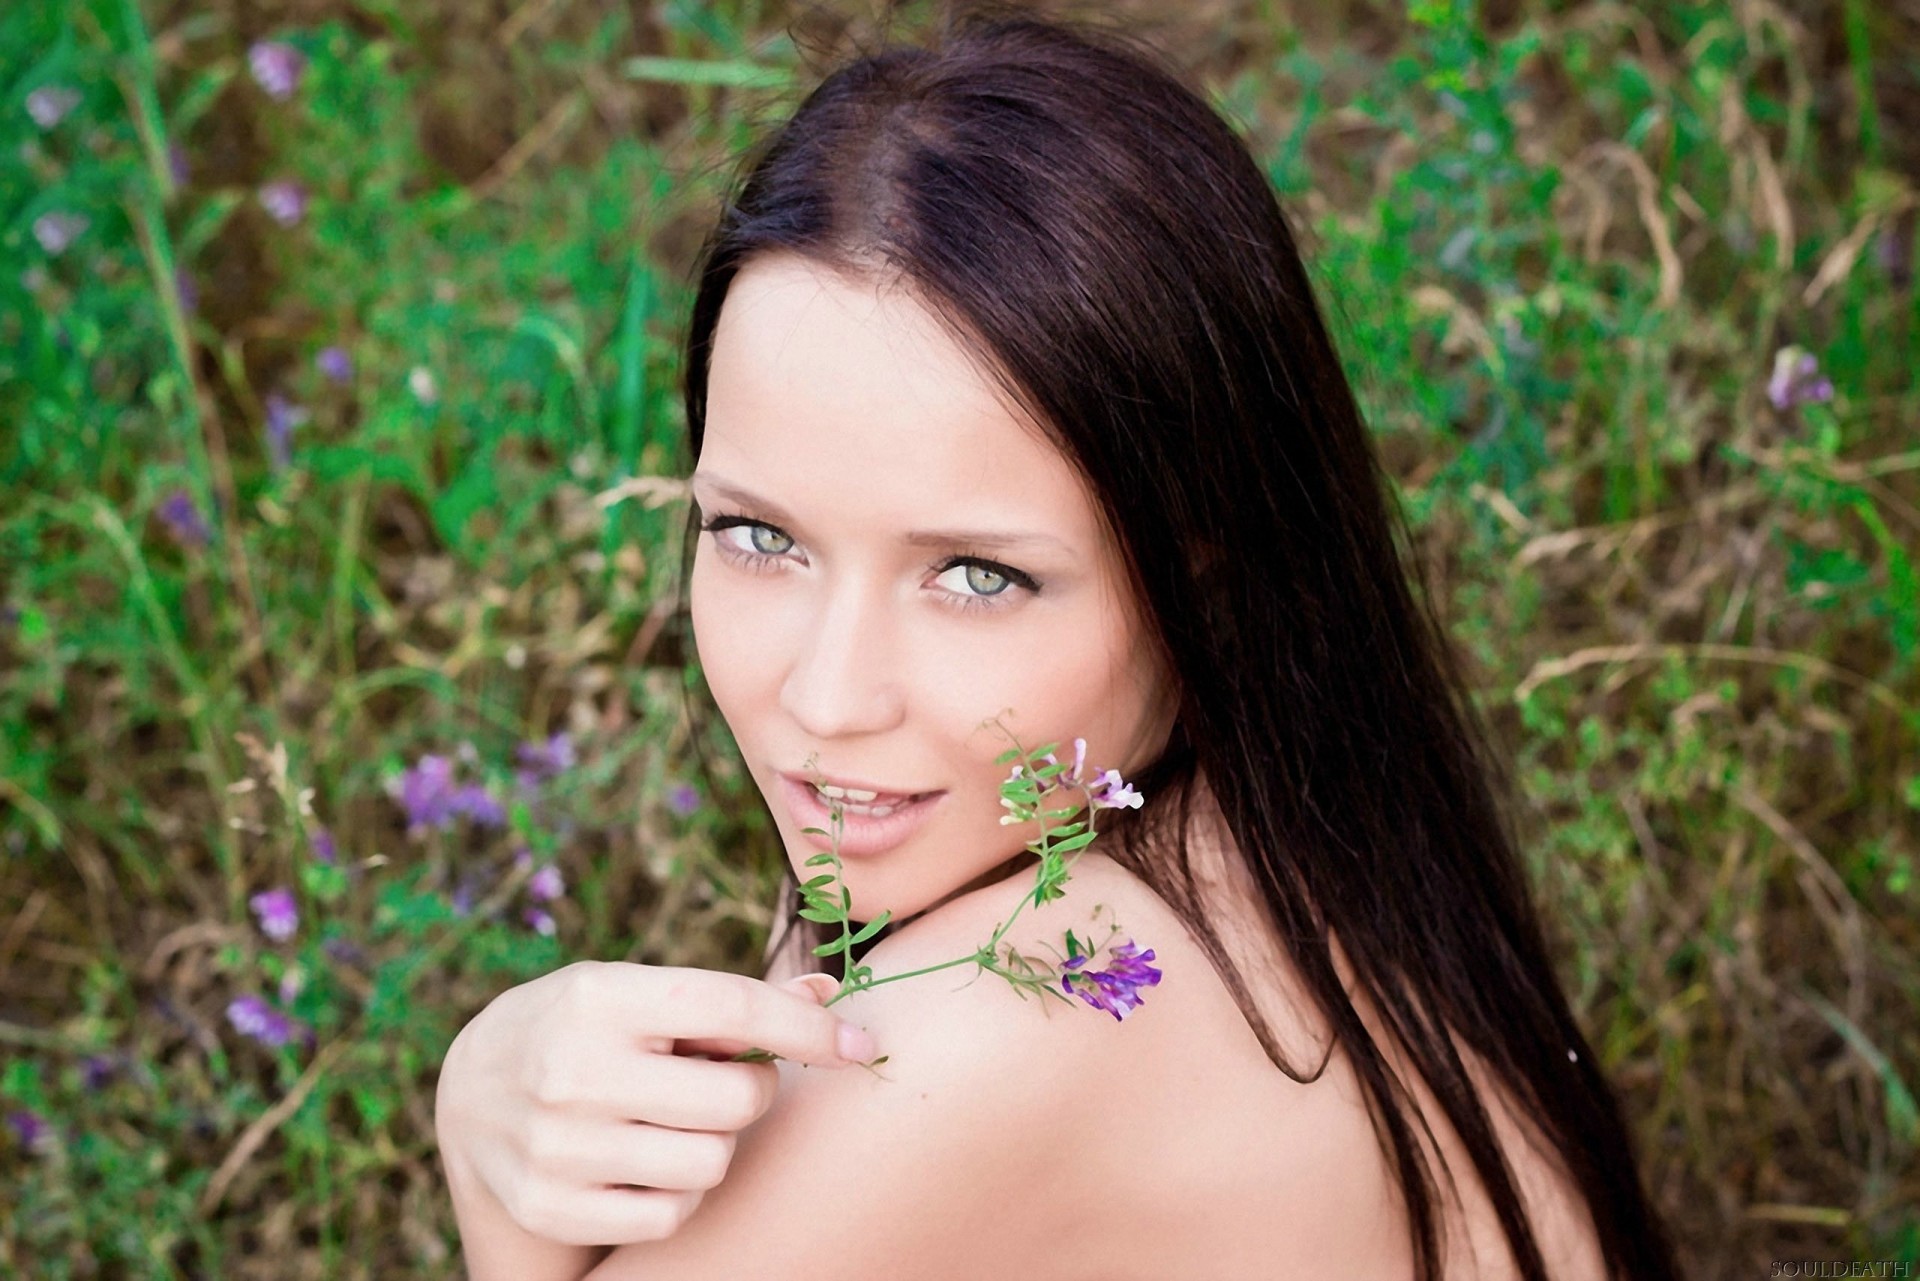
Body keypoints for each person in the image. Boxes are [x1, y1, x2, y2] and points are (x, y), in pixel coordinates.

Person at [433, 8, 1684, 1279]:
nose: (826, 694)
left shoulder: (1022, 1013)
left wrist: (493, 1167)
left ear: (1209, 584)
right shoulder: (1270, 844)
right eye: (761, 539)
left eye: (976, 576)